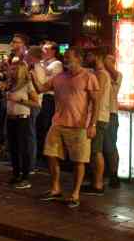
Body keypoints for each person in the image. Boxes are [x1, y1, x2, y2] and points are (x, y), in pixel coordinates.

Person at [34, 47, 99, 208]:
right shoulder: (59, 77)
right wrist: (32, 74)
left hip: (80, 125)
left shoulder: (88, 77)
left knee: (79, 160)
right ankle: (55, 188)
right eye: (65, 57)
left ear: (78, 58)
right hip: (58, 122)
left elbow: (96, 103)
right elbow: (41, 89)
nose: (65, 59)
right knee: (50, 154)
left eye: (69, 57)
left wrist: (93, 124)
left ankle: (75, 193)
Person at [5, 61, 40, 188]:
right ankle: (16, 174)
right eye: (11, 69)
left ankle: (25, 176)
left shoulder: (27, 84)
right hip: (11, 118)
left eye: (15, 69)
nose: (12, 71)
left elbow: (36, 103)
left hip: (22, 119)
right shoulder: (10, 84)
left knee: (23, 148)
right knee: (13, 148)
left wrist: (20, 100)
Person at [81, 50, 111, 196]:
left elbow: (96, 98)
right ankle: (95, 182)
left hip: (98, 117)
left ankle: (98, 185)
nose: (86, 58)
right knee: (94, 151)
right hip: (97, 117)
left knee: (96, 151)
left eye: (89, 55)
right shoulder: (98, 73)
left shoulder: (101, 74)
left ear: (98, 57)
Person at [35, 41, 63, 164]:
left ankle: (46, 155)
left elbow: (44, 73)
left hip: (49, 97)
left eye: (45, 49)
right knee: (40, 125)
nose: (43, 51)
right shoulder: (43, 63)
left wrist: (37, 62)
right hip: (41, 96)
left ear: (53, 51)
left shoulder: (56, 64)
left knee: (45, 125)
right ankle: (40, 152)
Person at [103, 52, 122, 188]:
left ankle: (114, 175)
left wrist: (107, 64)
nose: (105, 63)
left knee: (110, 147)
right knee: (100, 148)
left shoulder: (117, 74)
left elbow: (115, 74)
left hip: (111, 114)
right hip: (101, 114)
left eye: (109, 61)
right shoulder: (99, 74)